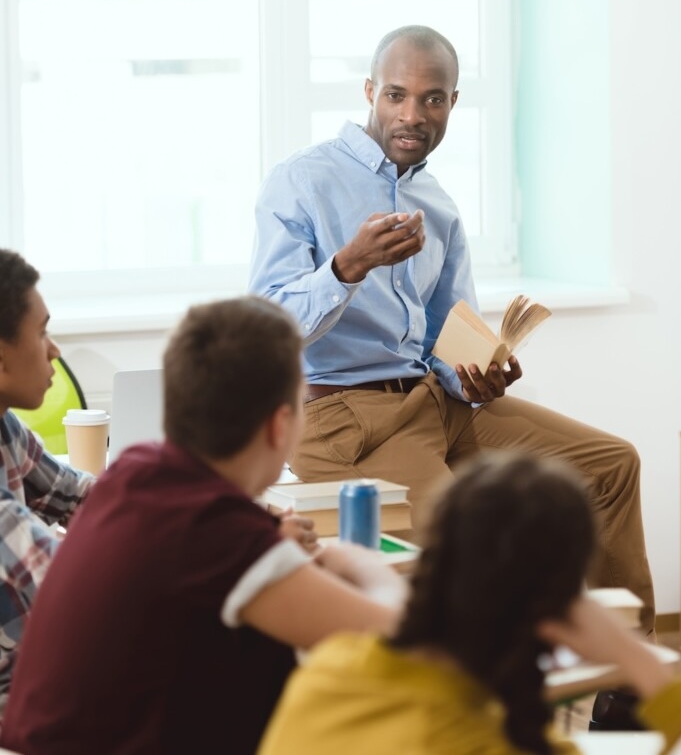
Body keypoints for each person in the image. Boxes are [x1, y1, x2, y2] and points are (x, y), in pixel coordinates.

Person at [248, 24, 655, 643]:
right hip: (341, 417)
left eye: (432, 98)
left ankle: (623, 688)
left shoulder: (436, 203)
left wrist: (476, 374)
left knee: (609, 465)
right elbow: (266, 331)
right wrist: (346, 267)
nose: (412, 114)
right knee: (472, 545)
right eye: (396, 95)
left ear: (453, 103)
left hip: (433, 403)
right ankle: (486, 712)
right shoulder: (303, 181)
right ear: (369, 92)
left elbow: (442, 333)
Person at [0, 296, 406, 755]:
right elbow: (399, 637)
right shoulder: (221, 534)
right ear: (280, 425)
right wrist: (357, 559)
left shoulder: (136, 469)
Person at [257, 455, 681, 755]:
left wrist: (364, 565)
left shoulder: (329, 669)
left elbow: (399, 603)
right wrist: (635, 657)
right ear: (560, 612)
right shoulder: (495, 744)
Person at [0, 249, 95, 720]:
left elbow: (87, 498)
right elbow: (76, 587)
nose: (54, 350)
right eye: (41, 333)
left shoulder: (5, 429)